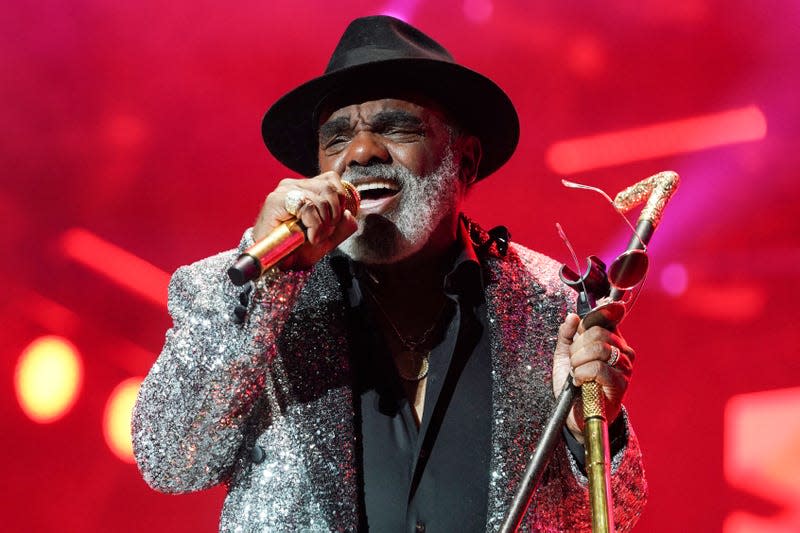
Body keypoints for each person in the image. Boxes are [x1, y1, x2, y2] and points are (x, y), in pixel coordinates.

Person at [132, 15, 646, 532]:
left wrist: (588, 433)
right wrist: (268, 290)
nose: (361, 153)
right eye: (336, 140)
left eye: (396, 128)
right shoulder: (243, 292)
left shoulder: (547, 303)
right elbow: (169, 459)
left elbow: (617, 516)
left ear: (463, 162)